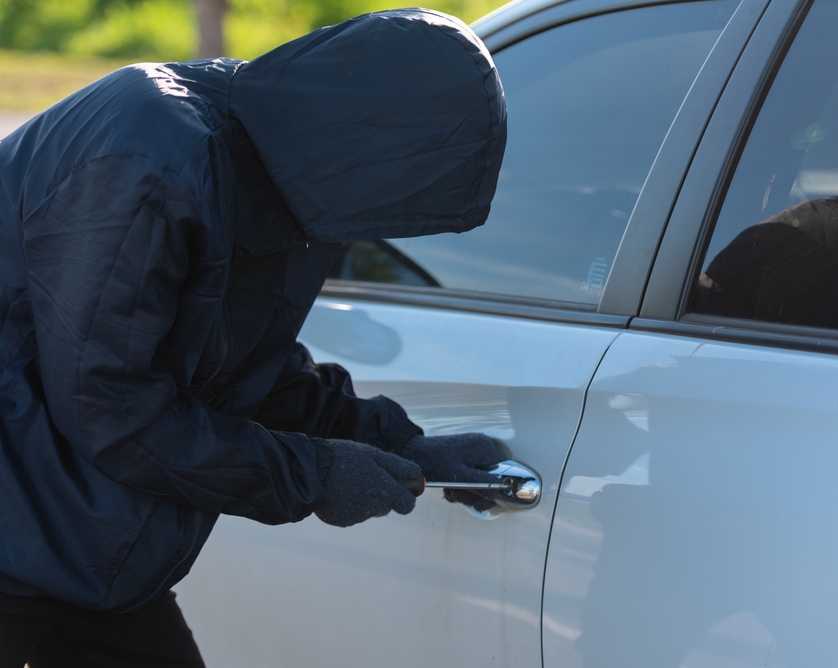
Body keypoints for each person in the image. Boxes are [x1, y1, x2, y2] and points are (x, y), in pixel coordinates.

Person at [0, 8, 507, 666]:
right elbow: (112, 405)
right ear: (365, 142)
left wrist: (397, 442)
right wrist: (314, 476)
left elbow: (240, 369)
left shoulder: (293, 174)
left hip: (84, 551)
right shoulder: (149, 161)